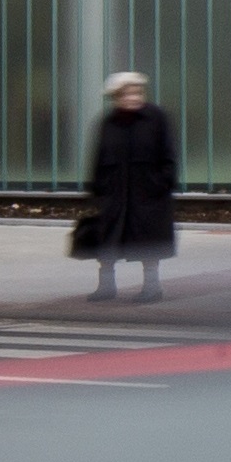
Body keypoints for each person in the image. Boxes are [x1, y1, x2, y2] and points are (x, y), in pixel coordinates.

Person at [82, 69, 179, 302]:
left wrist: (161, 183)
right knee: (107, 242)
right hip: (115, 194)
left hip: (148, 194)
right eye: (126, 94)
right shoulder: (108, 123)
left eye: (137, 92)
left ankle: (152, 288)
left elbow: (168, 155)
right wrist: (97, 189)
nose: (133, 97)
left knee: (148, 244)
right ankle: (106, 287)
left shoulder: (156, 118)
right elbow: (99, 158)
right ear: (116, 97)